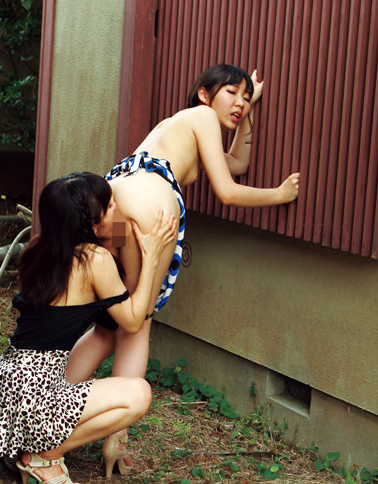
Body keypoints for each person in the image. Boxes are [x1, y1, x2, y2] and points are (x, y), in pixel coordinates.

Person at [66, 64, 300, 385]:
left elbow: (237, 162)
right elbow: (227, 191)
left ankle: (56, 400)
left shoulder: (177, 127)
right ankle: (120, 418)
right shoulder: (203, 116)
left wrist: (248, 109)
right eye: (232, 92)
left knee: (110, 323)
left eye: (245, 98)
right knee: (138, 322)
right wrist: (279, 194)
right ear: (204, 94)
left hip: (114, 209)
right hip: (148, 208)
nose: (240, 103)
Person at [0, 172, 177, 484]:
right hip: (37, 392)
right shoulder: (94, 259)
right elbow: (133, 322)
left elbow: (106, 325)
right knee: (139, 394)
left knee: (101, 339)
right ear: (91, 225)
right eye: (110, 207)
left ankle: (28, 444)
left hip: (9, 385)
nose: (119, 208)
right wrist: (150, 257)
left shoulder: (41, 250)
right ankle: (45, 456)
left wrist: (120, 237)